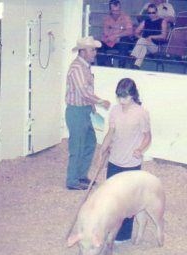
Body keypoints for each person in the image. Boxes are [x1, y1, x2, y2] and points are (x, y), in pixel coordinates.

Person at [99, 78, 152, 242]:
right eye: (119, 97)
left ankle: (123, 235)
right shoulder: (115, 110)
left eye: (125, 97)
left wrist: (140, 149)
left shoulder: (141, 113)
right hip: (114, 160)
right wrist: (103, 148)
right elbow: (111, 132)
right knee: (113, 198)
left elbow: (148, 137)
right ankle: (110, 229)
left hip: (131, 163)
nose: (122, 101)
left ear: (133, 95)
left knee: (128, 202)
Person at [65, 36, 111, 190]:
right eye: (92, 50)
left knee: (90, 142)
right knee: (77, 146)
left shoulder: (84, 67)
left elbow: (86, 92)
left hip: (84, 111)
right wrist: (100, 102)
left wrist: (92, 107)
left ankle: (80, 176)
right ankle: (72, 180)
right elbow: (84, 92)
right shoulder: (77, 68)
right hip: (76, 111)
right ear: (83, 51)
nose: (95, 53)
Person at [97, 0, 134, 68]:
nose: (116, 13)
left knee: (124, 40)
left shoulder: (125, 17)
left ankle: (121, 67)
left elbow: (130, 31)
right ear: (110, 10)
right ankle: (103, 67)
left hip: (122, 42)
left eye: (118, 10)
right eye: (114, 11)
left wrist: (116, 35)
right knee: (99, 44)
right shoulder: (106, 18)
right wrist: (118, 34)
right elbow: (106, 33)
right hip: (110, 42)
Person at [129, 4, 167, 69]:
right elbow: (135, 32)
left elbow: (164, 36)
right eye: (149, 13)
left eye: (153, 12)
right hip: (144, 44)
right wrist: (141, 38)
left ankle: (133, 57)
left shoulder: (162, 21)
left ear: (157, 12)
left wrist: (151, 37)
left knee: (142, 42)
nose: (151, 14)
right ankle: (136, 66)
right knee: (143, 47)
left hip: (155, 46)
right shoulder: (145, 21)